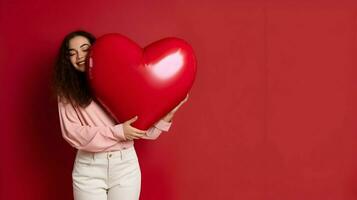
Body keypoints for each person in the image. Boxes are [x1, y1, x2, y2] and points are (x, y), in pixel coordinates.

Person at [51, 30, 189, 200]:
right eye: (72, 53)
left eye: (84, 48)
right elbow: (72, 133)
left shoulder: (119, 80)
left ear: (95, 50)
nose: (79, 56)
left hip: (125, 166)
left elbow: (145, 132)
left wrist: (169, 113)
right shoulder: (68, 92)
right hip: (88, 168)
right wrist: (119, 132)